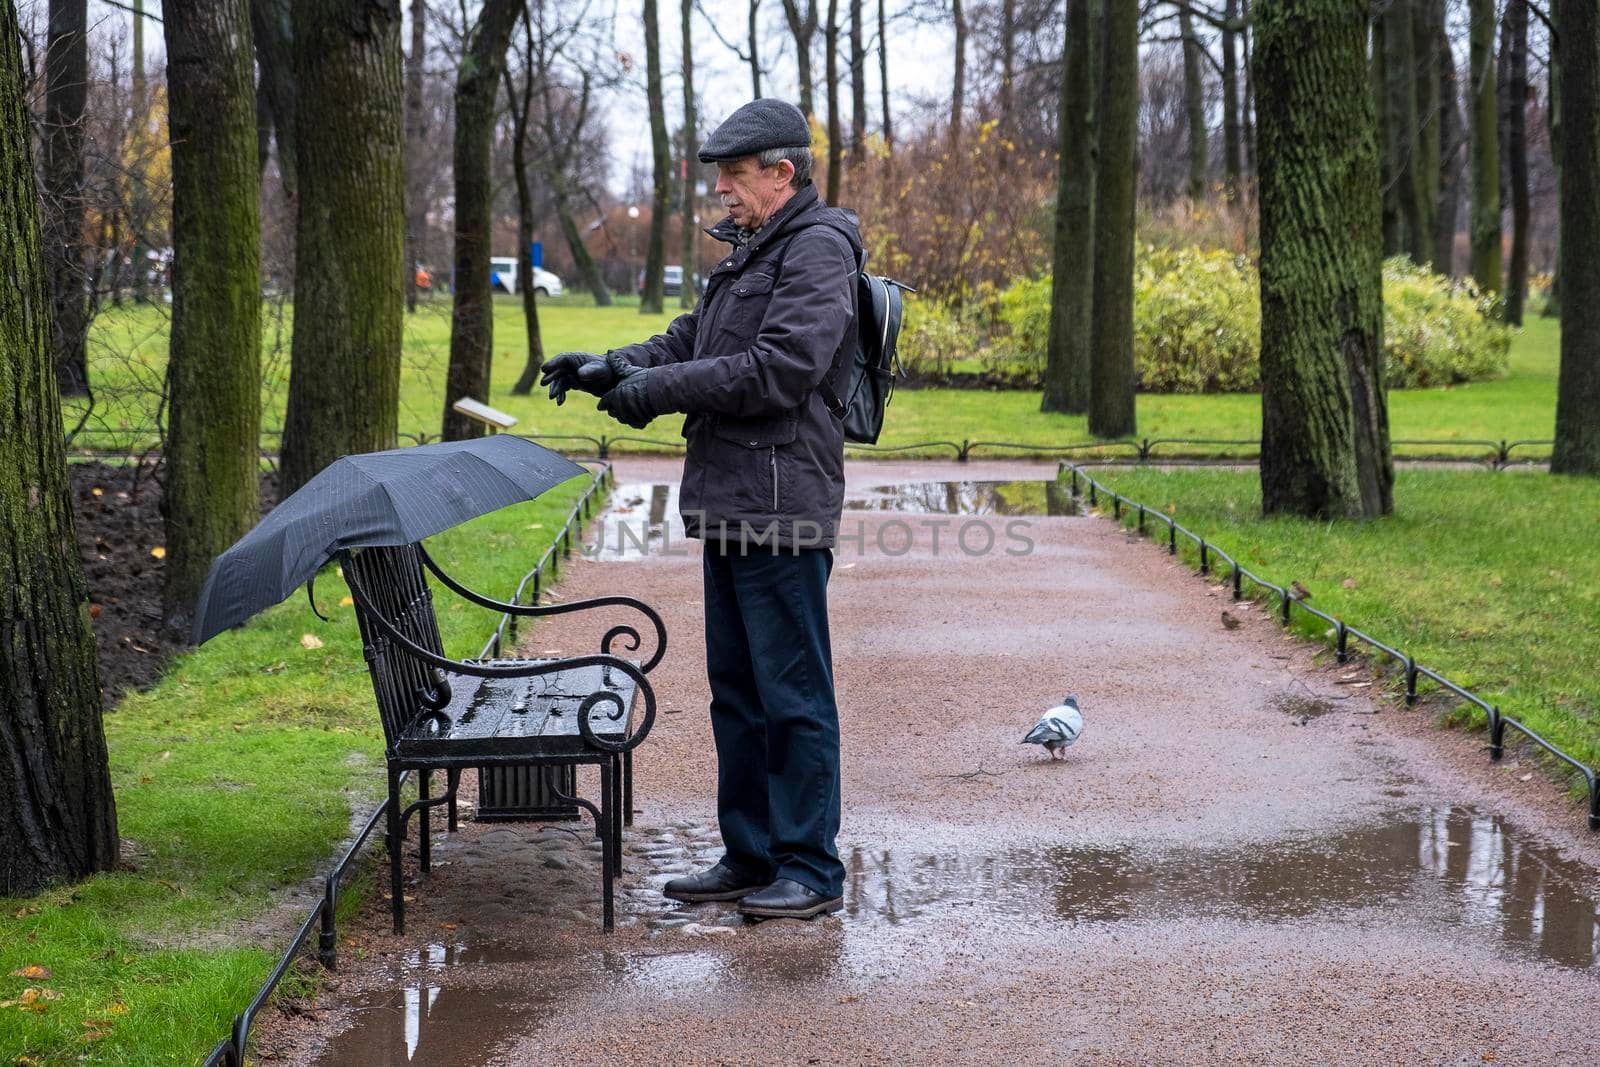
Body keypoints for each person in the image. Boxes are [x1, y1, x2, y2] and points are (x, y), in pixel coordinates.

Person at [541, 98, 860, 920]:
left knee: (792, 694)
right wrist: (611, 367)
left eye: (735, 174)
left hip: (783, 505)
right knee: (738, 691)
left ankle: (810, 867)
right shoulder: (754, 251)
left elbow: (778, 368)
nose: (722, 188)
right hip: (733, 501)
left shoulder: (818, 250)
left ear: (783, 174)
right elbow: (693, 340)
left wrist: (657, 393)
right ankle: (752, 854)